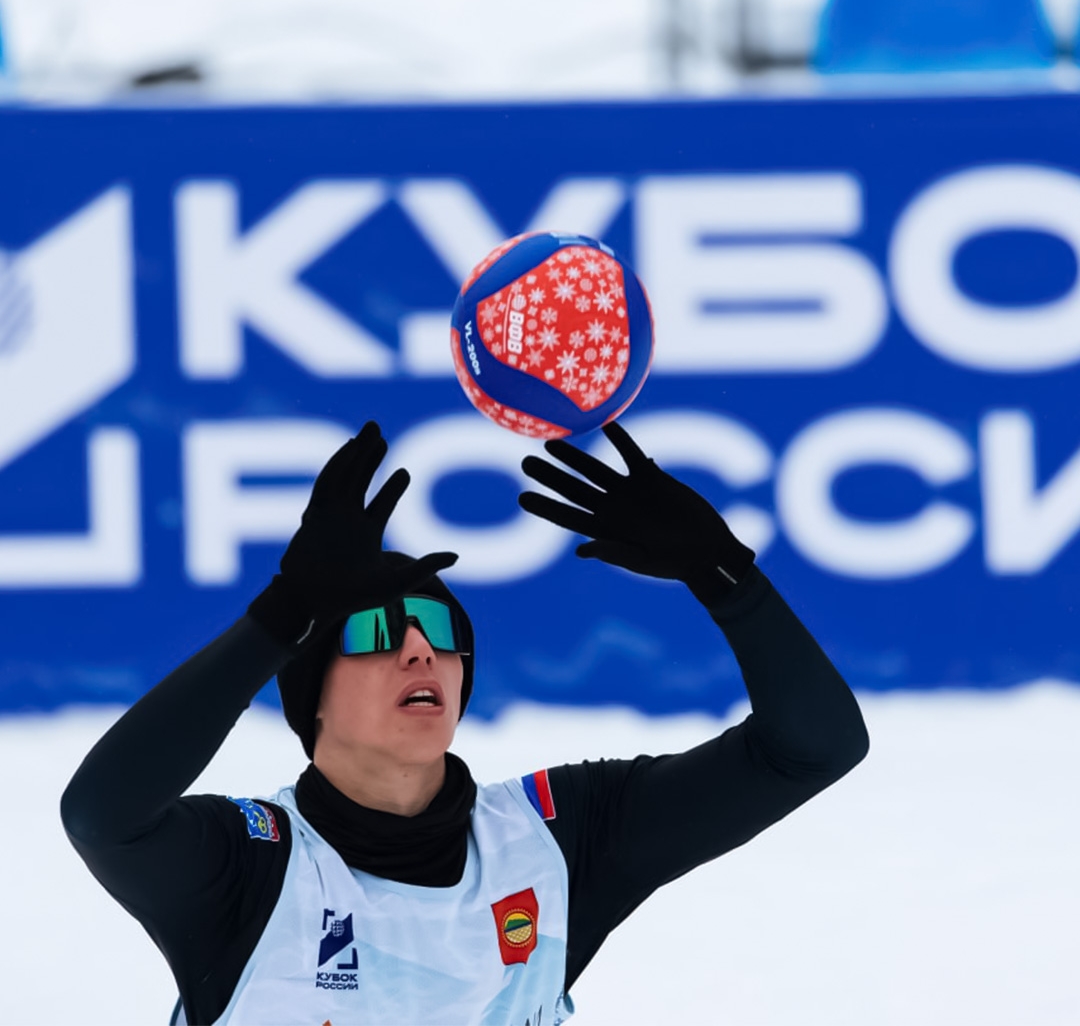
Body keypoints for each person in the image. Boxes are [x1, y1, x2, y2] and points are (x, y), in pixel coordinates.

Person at [61, 419, 869, 1025]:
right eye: (379, 634)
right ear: (309, 695)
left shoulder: (558, 840)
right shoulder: (252, 869)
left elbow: (815, 746)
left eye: (442, 635)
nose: (421, 653)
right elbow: (104, 815)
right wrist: (283, 616)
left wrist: (723, 573)